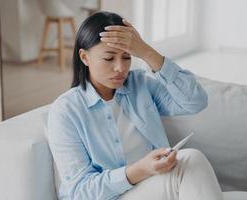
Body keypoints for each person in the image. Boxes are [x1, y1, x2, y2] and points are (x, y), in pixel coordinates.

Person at [47, 11, 224, 200]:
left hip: (156, 187)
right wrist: (138, 170)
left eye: (127, 57)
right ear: (84, 57)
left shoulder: (140, 85)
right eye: (109, 58)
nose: (120, 68)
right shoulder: (66, 111)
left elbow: (195, 101)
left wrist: (146, 51)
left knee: (191, 164)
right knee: (191, 160)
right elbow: (79, 192)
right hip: (113, 196)